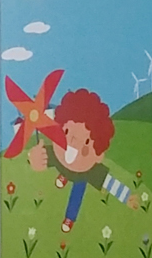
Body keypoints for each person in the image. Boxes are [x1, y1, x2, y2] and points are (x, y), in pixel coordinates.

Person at [26, 87, 140, 232]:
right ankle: (63, 176)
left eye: (86, 142)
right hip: (62, 164)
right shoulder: (56, 152)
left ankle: (70, 218)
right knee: (64, 165)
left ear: (98, 155)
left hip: (80, 175)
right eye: (66, 132)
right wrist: (34, 158)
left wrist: (127, 196)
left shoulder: (91, 170)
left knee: (77, 194)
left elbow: (109, 182)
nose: (73, 142)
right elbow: (38, 157)